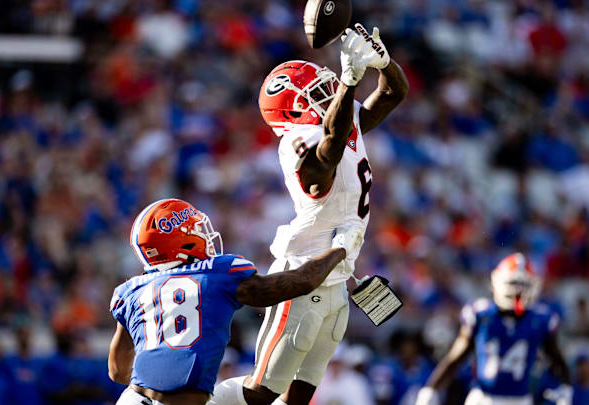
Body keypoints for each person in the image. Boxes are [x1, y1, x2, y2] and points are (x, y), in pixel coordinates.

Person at [212, 22, 409, 405]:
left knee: (298, 398)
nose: (330, 95)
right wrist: (351, 81)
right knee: (260, 393)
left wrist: (382, 62)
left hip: (338, 279)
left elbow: (392, 94)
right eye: (317, 94)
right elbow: (328, 156)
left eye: (328, 88)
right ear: (293, 110)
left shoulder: (338, 122)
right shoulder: (296, 142)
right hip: (303, 275)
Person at [107, 198, 350, 405]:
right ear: (182, 241)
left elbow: (117, 371)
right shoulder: (216, 274)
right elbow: (303, 282)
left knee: (255, 393)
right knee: (261, 391)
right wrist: (341, 250)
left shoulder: (130, 291)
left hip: (133, 399)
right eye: (197, 230)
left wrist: (160, 380)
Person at [416, 253, 573, 405]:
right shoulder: (482, 316)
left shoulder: (540, 320)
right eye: (513, 284)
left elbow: (556, 359)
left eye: (523, 285)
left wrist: (565, 386)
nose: (518, 292)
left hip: (520, 400)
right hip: (484, 399)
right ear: (498, 282)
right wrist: (431, 389)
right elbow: (456, 358)